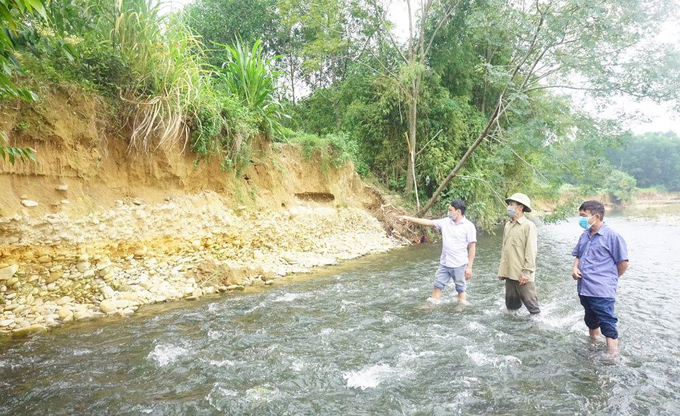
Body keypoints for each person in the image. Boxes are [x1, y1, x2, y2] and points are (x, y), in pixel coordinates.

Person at [571, 200, 628, 355]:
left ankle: (612, 356)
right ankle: (594, 345)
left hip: (602, 290)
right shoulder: (584, 235)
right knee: (590, 319)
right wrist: (575, 267)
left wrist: (610, 279)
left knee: (607, 322)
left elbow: (623, 262)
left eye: (584, 215)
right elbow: (578, 255)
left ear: (596, 216)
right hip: (584, 288)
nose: (581, 219)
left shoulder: (612, 236)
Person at [398, 199, 477, 305]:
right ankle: (431, 307)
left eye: (450, 210)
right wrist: (409, 218)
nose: (448, 212)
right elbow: (428, 222)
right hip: (444, 263)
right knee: (437, 286)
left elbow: (472, 247)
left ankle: (460, 309)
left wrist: (469, 267)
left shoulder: (468, 226)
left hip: (459, 264)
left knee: (460, 289)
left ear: (458, 211)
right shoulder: (445, 222)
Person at [497, 193, 540, 314]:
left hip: (523, 275)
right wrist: (502, 270)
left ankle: (535, 329)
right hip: (509, 273)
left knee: (533, 307)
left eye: (511, 204)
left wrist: (526, 272)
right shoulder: (508, 225)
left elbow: (531, 251)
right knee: (511, 307)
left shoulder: (528, 226)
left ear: (520, 207)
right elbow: (505, 249)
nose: (509, 207)